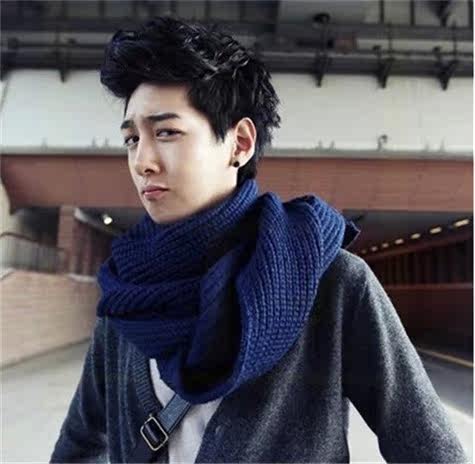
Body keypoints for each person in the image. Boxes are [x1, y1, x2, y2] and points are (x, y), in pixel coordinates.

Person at [50, 16, 467, 463]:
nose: (142, 161)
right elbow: (80, 445)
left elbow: (432, 452)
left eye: (166, 132)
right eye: (132, 139)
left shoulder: (331, 284)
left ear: (240, 143)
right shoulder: (127, 293)